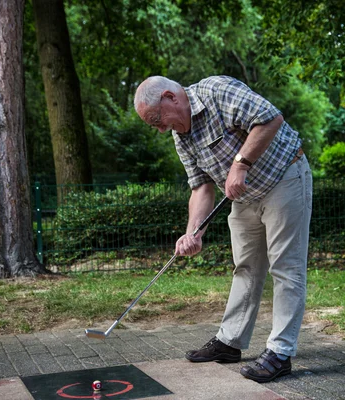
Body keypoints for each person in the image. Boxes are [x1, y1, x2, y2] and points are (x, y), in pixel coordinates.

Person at [134, 75, 312, 383]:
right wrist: (194, 231)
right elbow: (201, 186)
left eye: (158, 120)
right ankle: (230, 342)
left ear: (170, 97)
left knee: (286, 267)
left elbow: (270, 118)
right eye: (155, 126)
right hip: (244, 197)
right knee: (245, 268)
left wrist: (240, 164)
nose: (161, 129)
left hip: (284, 178)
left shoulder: (216, 92)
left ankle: (280, 352)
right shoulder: (182, 136)